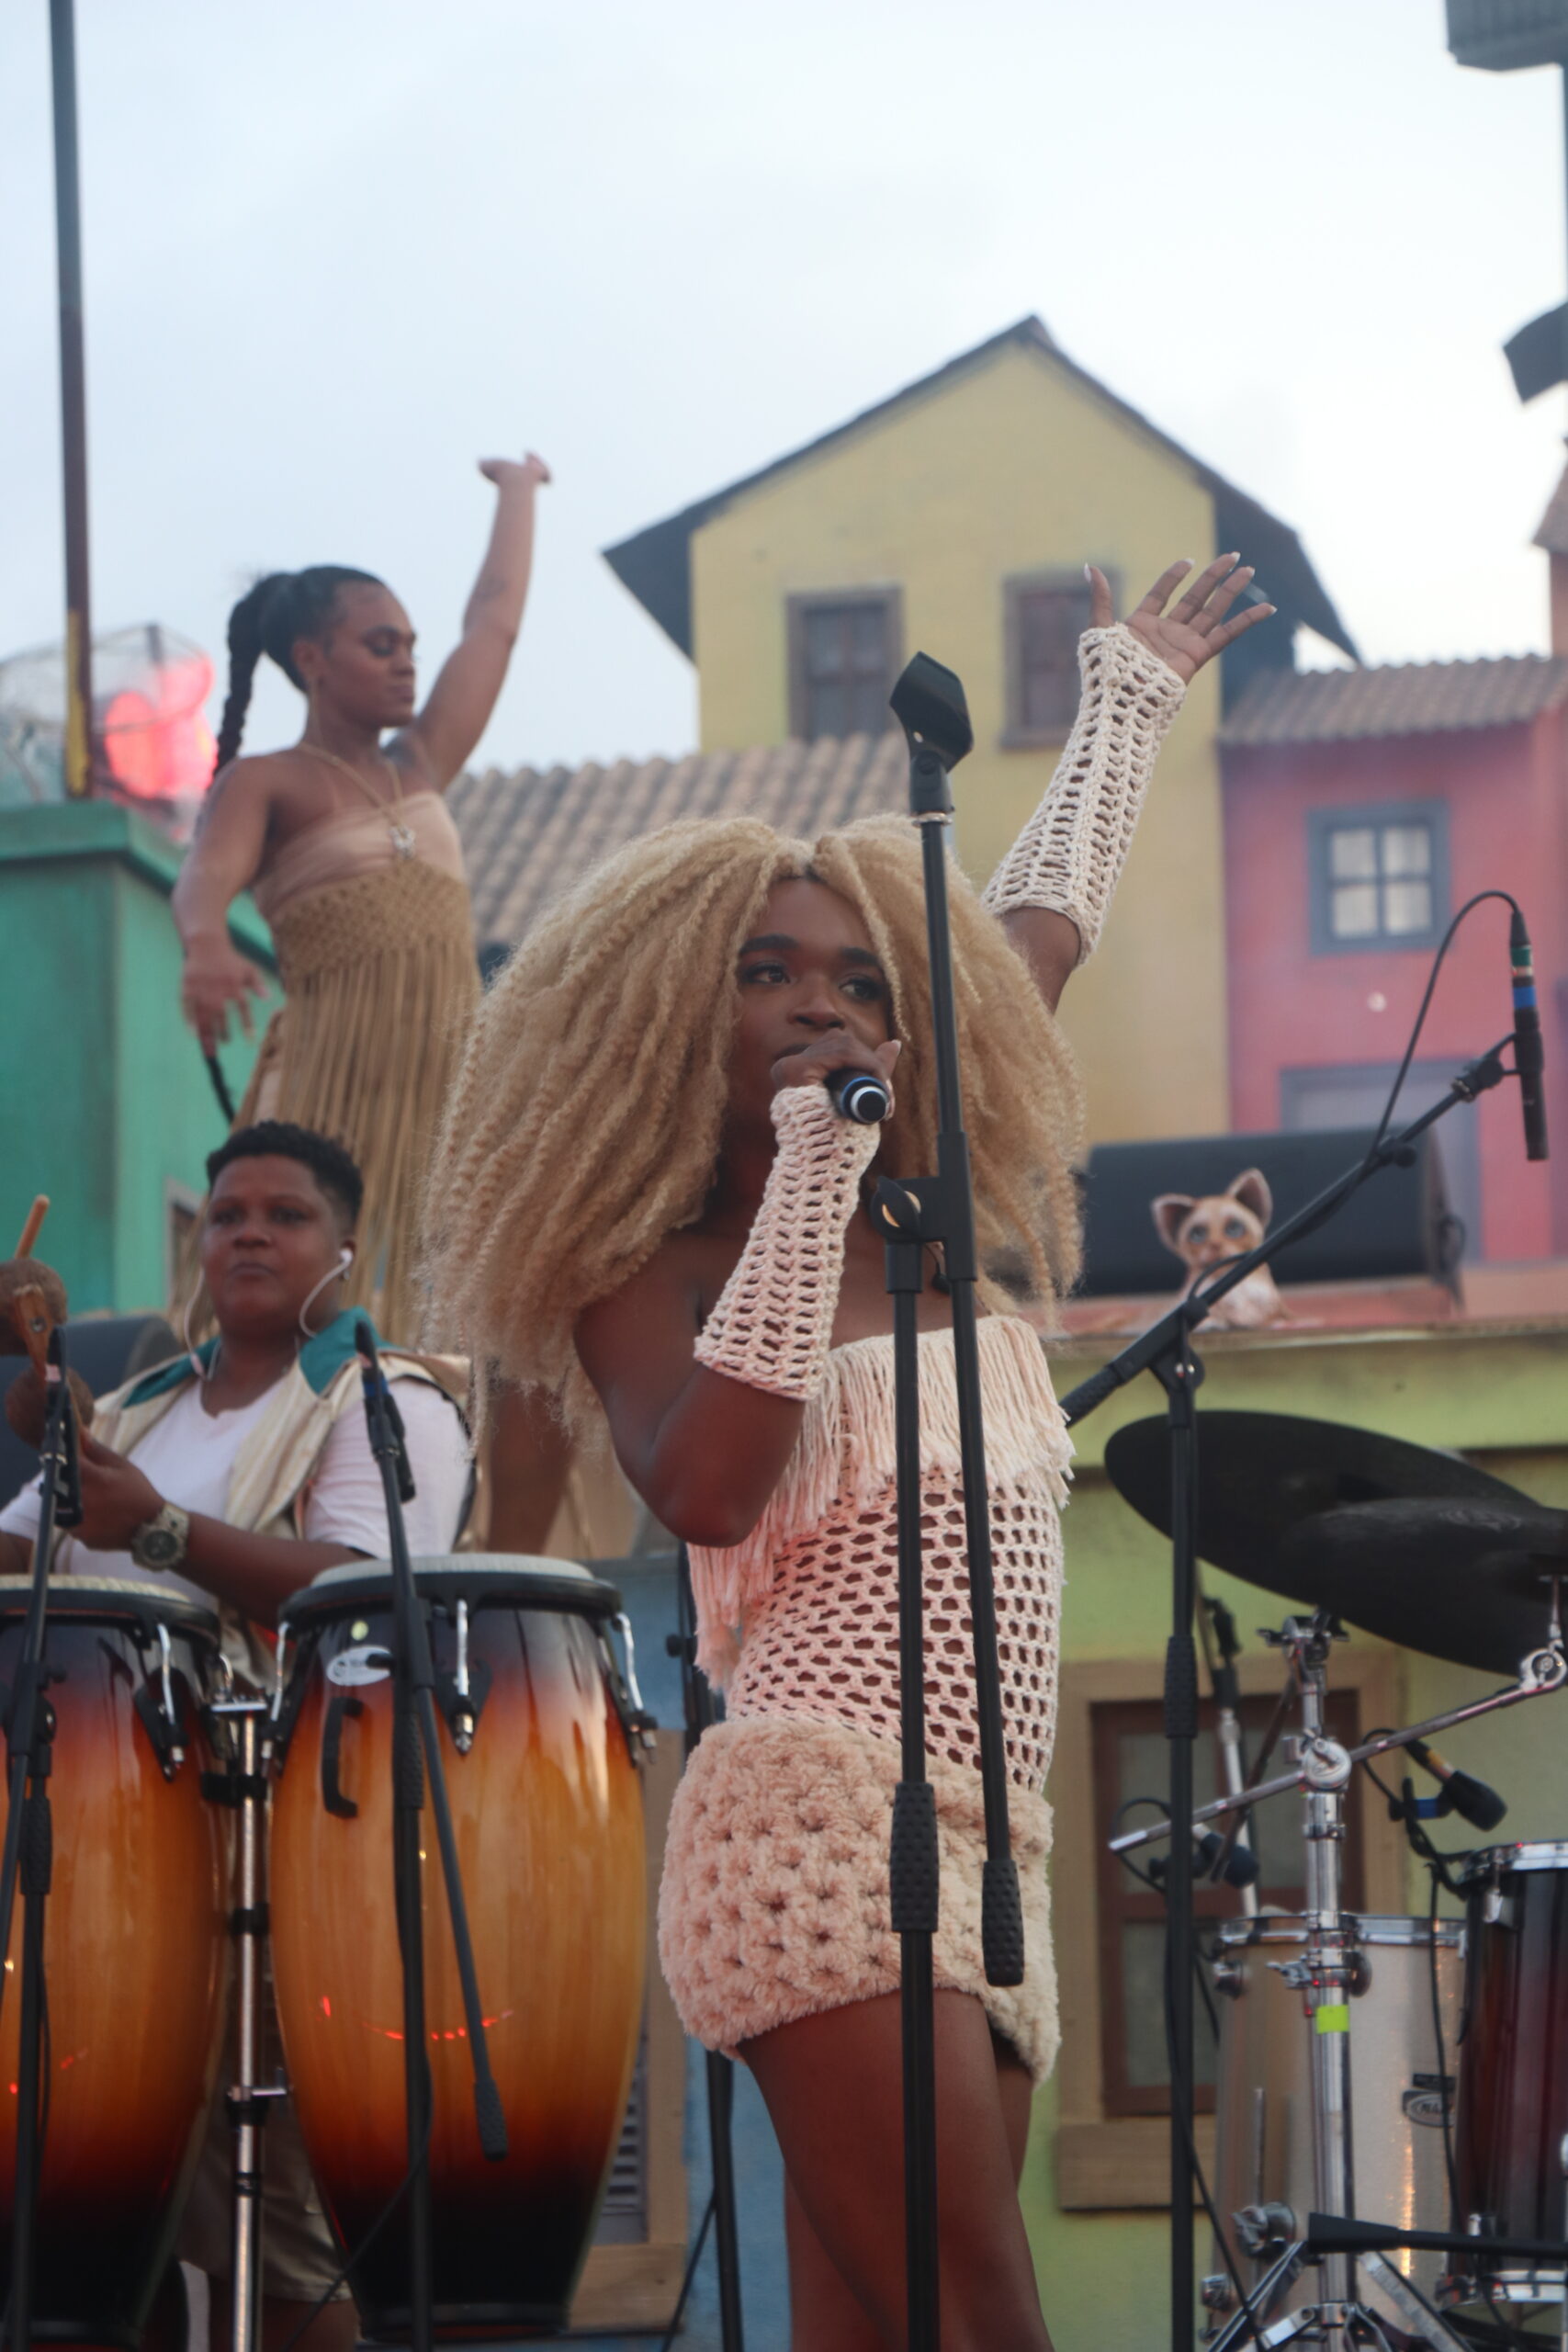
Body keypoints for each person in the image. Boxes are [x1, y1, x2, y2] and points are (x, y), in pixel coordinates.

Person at [424, 557, 1273, 2350]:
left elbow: (1028, 930)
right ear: (669, 1017)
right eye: (764, 971)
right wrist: (814, 1171)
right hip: (813, 1810)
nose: (821, 999)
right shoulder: (644, 1271)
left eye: (853, 977)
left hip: (995, 1836)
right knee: (981, 2314)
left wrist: (1122, 695)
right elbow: (709, 1486)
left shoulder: (932, 1191)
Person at [0, 1120, 470, 2352]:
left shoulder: (385, 1403)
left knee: (276, 2231)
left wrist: (159, 1530)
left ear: (345, 1253)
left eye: (285, 1214)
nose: (249, 1232)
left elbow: (367, 1593)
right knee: (108, 2216)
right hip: (96, 1851)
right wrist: (35, 1437)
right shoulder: (144, 1405)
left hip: (277, 1836)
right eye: (226, 1216)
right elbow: (21, 1560)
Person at [170, 452, 549, 1351]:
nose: (407, 665)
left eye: (412, 647)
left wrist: (519, 494)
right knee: (315, 1295)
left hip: (447, 1083)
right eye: (382, 645)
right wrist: (205, 945)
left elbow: (492, 625)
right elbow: (203, 876)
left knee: (457, 1312)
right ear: (313, 659)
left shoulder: (419, 763)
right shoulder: (271, 781)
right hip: (330, 1081)